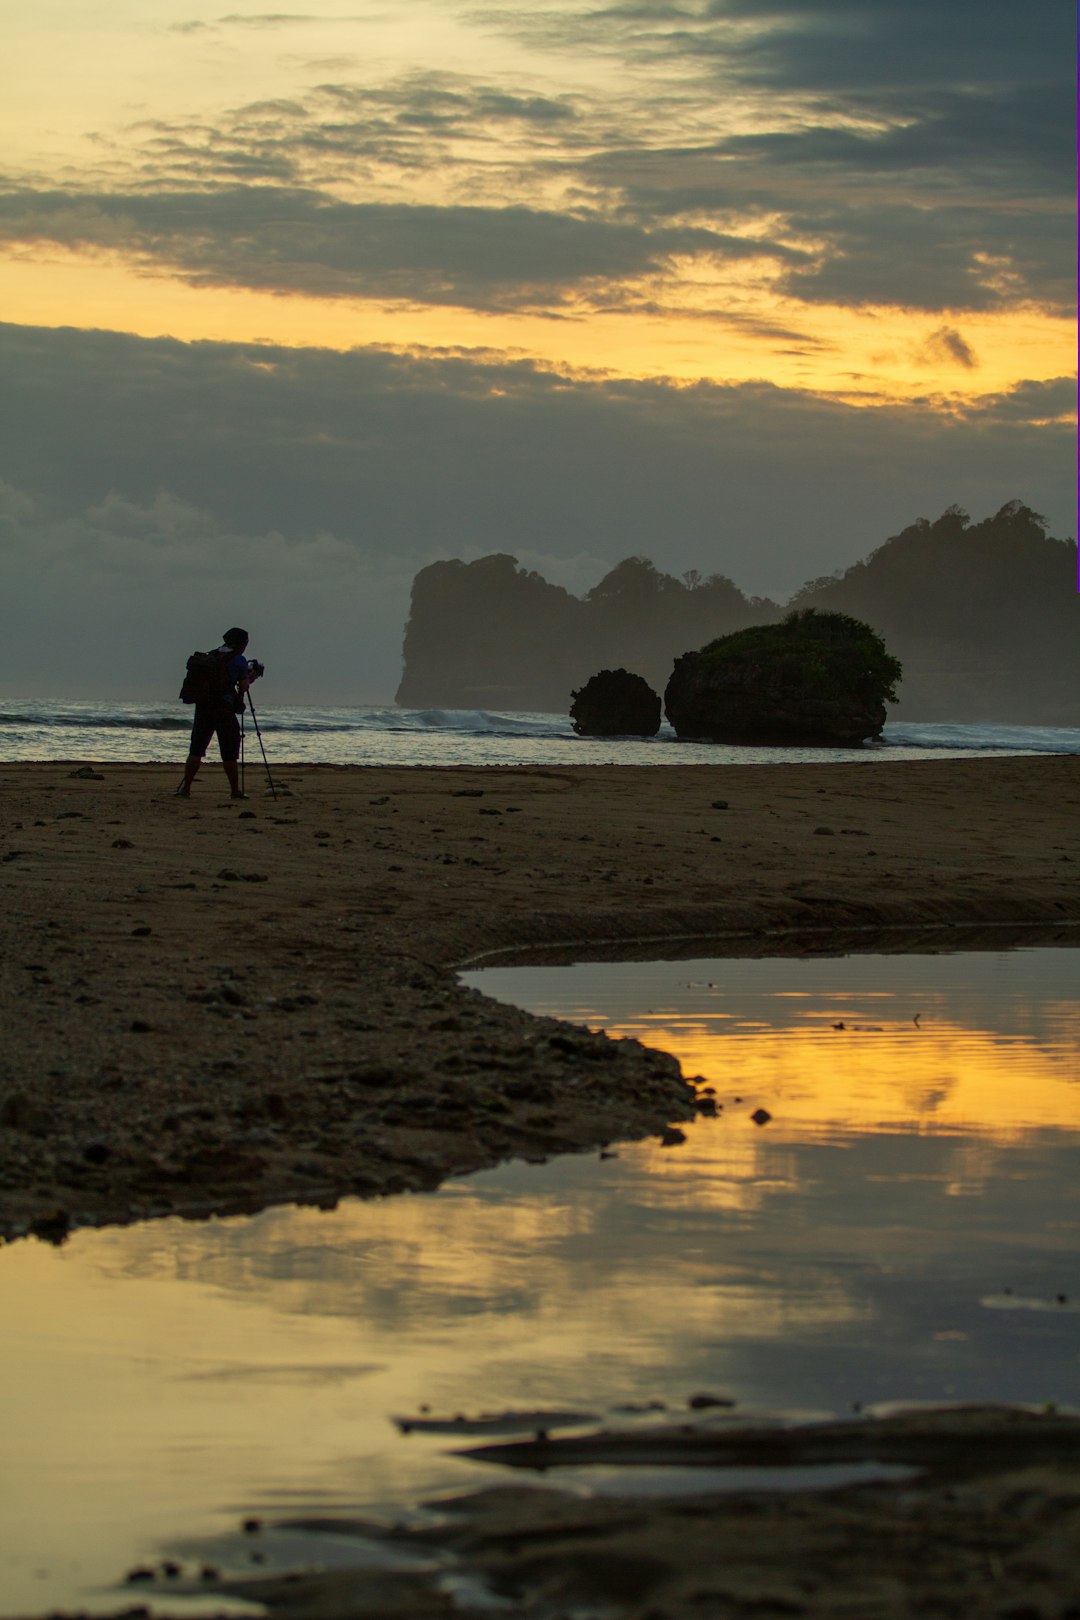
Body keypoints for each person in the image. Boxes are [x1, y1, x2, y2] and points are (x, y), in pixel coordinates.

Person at [177, 628, 263, 798]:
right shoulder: (239, 660)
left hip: (203, 708)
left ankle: (185, 788)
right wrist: (250, 678)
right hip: (224, 710)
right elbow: (244, 687)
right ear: (242, 644)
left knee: (196, 749)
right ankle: (235, 791)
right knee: (229, 751)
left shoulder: (211, 655)